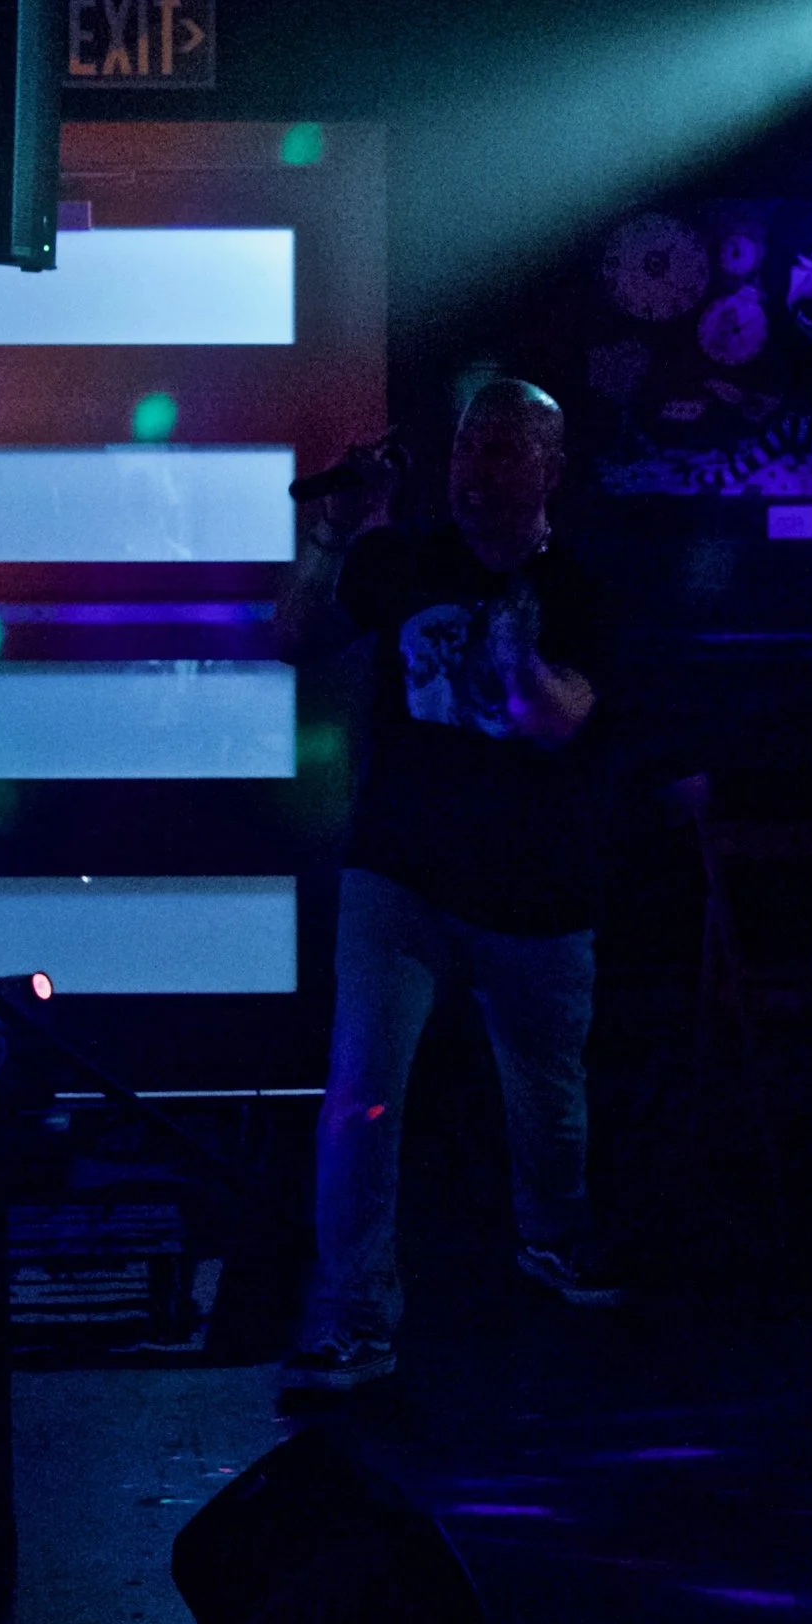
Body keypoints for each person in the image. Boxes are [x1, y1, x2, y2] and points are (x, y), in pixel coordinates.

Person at [277, 378, 620, 1395]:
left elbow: (557, 719)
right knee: (361, 1091)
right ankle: (352, 1315)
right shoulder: (407, 561)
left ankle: (552, 1237)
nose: (476, 471)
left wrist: (515, 658)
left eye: (504, 451)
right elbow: (293, 640)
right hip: (401, 878)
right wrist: (332, 538)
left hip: (536, 891)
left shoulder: (582, 587)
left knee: (548, 1104)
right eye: (468, 447)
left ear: (551, 469)